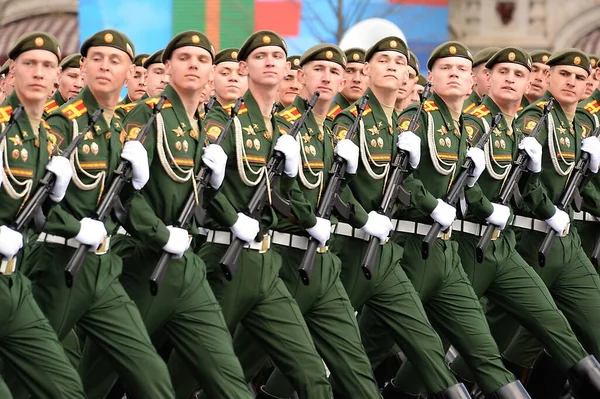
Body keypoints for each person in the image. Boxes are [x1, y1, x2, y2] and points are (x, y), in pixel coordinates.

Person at [28, 29, 176, 398]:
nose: (105, 67)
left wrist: (138, 188)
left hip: (103, 267)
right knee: (31, 370)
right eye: (96, 58)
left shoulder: (117, 128)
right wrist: (74, 226)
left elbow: (116, 199)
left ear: (130, 73)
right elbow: (32, 199)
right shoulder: (64, 123)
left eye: (115, 61)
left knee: (149, 370)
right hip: (60, 263)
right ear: (84, 65)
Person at [331, 36, 472, 398]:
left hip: (388, 252)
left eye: (399, 62)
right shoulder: (350, 120)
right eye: (384, 60)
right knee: (330, 347)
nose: (393, 67)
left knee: (424, 342)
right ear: (366, 71)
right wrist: (362, 218)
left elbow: (408, 185)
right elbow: (329, 189)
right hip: (348, 249)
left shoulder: (401, 125)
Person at [0, 31, 85, 399]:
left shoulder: (50, 140)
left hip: (13, 282)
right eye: (29, 64)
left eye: (47, 65)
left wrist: (55, 198)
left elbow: (33, 213)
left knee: (64, 388)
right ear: (11, 73)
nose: (38, 72)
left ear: (55, 79)